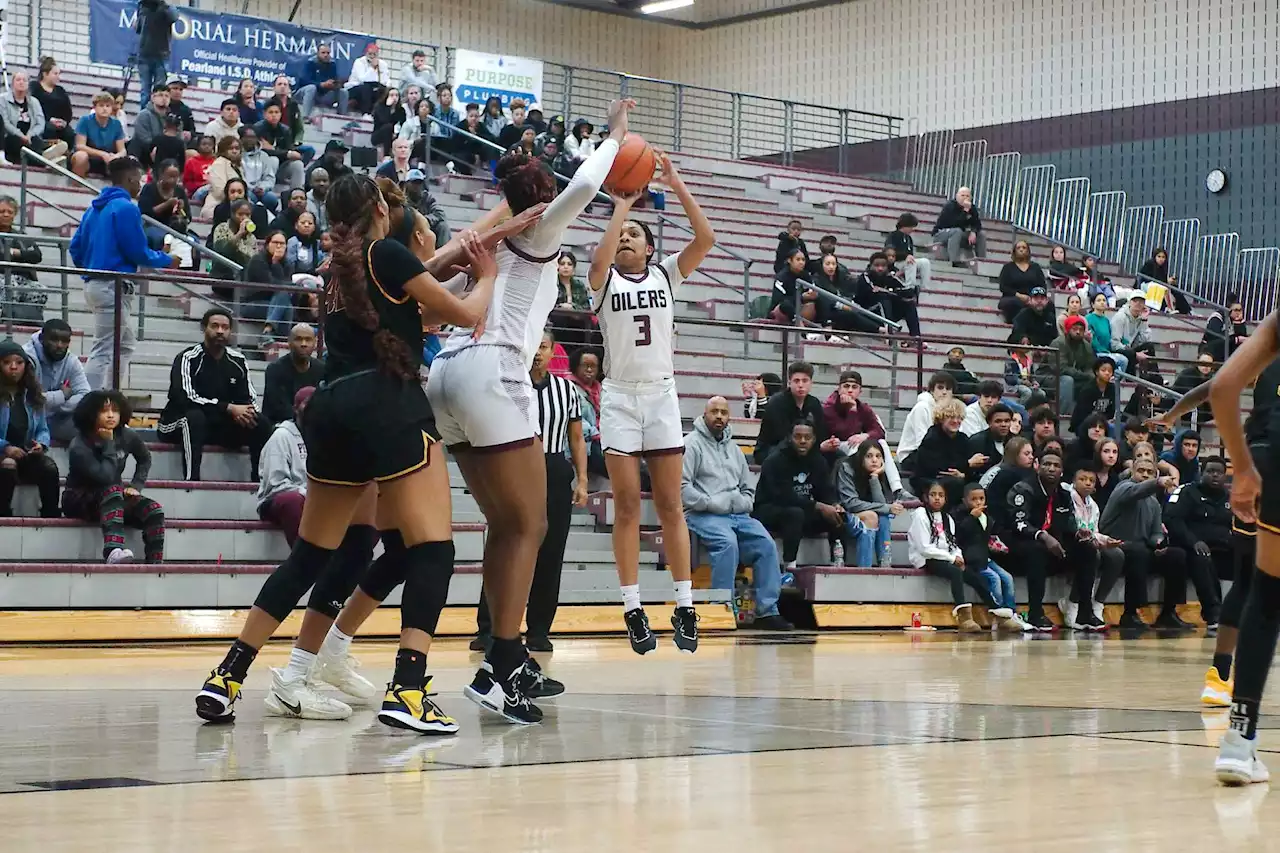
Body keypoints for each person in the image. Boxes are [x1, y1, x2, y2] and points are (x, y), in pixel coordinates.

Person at [194, 172, 518, 730]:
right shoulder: (385, 253)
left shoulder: (340, 275)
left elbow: (425, 314)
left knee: (313, 555)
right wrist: (487, 276)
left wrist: (467, 264)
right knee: (432, 549)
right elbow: (467, 317)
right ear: (376, 207)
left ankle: (227, 676)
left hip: (330, 409)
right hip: (384, 406)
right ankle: (409, 689)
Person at [423, 98, 633, 721]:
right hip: (493, 369)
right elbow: (590, 180)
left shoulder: (488, 246)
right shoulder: (542, 224)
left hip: (446, 374)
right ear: (538, 195)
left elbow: (433, 312)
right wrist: (616, 137)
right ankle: (505, 663)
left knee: (507, 525)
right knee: (532, 525)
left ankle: (500, 656)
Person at [586, 151, 714, 653]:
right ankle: (633, 609)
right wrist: (621, 206)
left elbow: (705, 238)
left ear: (651, 246)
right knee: (624, 508)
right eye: (621, 236)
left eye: (633, 234)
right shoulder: (604, 282)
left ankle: (684, 606)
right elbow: (597, 260)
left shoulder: (665, 276)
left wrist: (676, 182)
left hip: (661, 394)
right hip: (618, 398)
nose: (624, 240)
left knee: (670, 506)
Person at [473, 329, 591, 651]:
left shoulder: (567, 390)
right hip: (515, 466)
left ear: (554, 352)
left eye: (544, 346)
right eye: (533, 346)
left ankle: (539, 630)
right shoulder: (508, 384)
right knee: (506, 544)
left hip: (554, 468)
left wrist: (581, 481)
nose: (538, 353)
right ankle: (488, 628)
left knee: (551, 552)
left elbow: (577, 439)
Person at [68, 156, 179, 391]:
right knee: (104, 349)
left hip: (96, 284)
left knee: (125, 344)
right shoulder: (127, 208)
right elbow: (138, 252)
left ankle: (110, 396)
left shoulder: (94, 207)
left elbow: (75, 247)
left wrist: (90, 269)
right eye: (138, 180)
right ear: (130, 179)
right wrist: (167, 259)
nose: (140, 185)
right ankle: (89, 402)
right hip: (112, 285)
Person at [155, 309, 273, 481]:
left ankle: (259, 481)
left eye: (225, 327)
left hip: (218, 426)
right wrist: (227, 408)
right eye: (215, 326)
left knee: (260, 422)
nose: (220, 331)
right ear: (204, 328)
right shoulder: (188, 358)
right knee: (194, 418)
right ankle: (191, 481)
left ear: (230, 332)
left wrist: (244, 412)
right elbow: (184, 398)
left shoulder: (238, 360)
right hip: (177, 424)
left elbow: (249, 398)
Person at [1003, 450, 1101, 630]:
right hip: (1021, 545)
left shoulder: (1063, 494)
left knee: (1087, 549)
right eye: (1047, 464)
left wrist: (1079, 534)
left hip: (1054, 546)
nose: (1051, 469)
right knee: (1037, 549)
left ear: (1062, 471)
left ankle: (1085, 612)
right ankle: (1035, 613)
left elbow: (1068, 523)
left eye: (1056, 466)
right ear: (1037, 466)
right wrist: (1043, 536)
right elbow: (1019, 524)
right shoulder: (1023, 489)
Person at [62, 389, 162, 563]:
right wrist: (108, 443)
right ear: (91, 414)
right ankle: (113, 551)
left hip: (113, 497)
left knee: (153, 509)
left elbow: (144, 458)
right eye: (104, 411)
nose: (111, 416)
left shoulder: (127, 435)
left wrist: (136, 485)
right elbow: (105, 477)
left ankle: (155, 563)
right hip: (80, 497)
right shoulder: (79, 445)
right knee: (113, 490)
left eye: (115, 410)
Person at [1098, 457, 1192, 631]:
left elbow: (1156, 531)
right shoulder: (1123, 488)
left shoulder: (1154, 503)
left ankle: (1168, 613)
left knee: (1177, 555)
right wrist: (1158, 482)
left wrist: (1157, 543)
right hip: (1115, 545)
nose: (1144, 475)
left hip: (1141, 548)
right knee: (1138, 552)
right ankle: (1130, 614)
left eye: (1150, 472)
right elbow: (1136, 491)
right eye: (1141, 471)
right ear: (1133, 472)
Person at [752, 419, 844, 573]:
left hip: (801, 510)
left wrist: (834, 504)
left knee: (838, 515)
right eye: (798, 437)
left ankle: (838, 562)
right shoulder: (775, 460)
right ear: (790, 437)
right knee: (795, 514)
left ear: (814, 439)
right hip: (769, 510)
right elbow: (783, 496)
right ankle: (789, 568)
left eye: (807, 438)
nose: (802, 441)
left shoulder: (817, 460)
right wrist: (819, 506)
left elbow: (825, 490)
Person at [907, 480, 998, 631]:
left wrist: (958, 556)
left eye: (941, 495)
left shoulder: (947, 518)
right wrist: (951, 558)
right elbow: (924, 548)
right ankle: (964, 616)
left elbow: (953, 543)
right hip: (926, 559)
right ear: (925, 497)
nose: (937, 498)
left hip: (946, 557)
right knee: (955, 572)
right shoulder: (920, 515)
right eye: (933, 495)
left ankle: (997, 612)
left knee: (973, 576)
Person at [1164, 456, 1232, 627]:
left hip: (1223, 547)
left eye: (1219, 472)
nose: (1215, 475)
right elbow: (1172, 519)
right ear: (1201, 472)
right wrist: (1193, 541)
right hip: (1191, 547)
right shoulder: (1187, 492)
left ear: (1225, 476)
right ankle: (1213, 614)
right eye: (1210, 471)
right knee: (1202, 556)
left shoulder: (1231, 497)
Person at [0, 340, 58, 518]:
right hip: (3, 454)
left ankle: (50, 514)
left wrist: (41, 444)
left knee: (49, 467)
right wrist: (6, 447)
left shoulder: (32, 394)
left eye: (19, 362)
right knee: (8, 465)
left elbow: (43, 429)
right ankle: (3, 514)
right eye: (7, 362)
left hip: (25, 454)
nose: (13, 367)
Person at [953, 483, 1024, 630]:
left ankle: (1011, 612)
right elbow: (959, 537)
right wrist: (972, 518)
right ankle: (998, 616)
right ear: (965, 501)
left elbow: (984, 538)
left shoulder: (986, 517)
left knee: (1007, 578)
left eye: (981, 498)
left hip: (984, 557)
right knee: (994, 579)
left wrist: (995, 546)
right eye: (974, 499)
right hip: (972, 560)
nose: (979, 502)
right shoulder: (958, 517)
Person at [1064, 464, 1123, 628]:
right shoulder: (1066, 498)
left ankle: (1098, 603)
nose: (1088, 483)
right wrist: (1094, 539)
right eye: (1083, 479)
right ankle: (1074, 604)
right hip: (1068, 543)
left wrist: (1106, 540)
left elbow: (1093, 531)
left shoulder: (1093, 505)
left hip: (1088, 542)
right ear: (1074, 482)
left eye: (1091, 480)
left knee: (1116, 555)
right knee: (1091, 553)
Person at [256, 386, 312, 545]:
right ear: (295, 409)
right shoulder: (281, 436)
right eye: (307, 403)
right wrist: (307, 494)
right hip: (276, 499)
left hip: (313, 499)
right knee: (293, 500)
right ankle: (303, 561)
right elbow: (275, 484)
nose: (311, 408)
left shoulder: (324, 437)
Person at [835, 440, 904, 569]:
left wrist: (874, 477)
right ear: (860, 457)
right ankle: (864, 569)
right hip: (842, 514)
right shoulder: (846, 468)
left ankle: (884, 564)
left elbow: (880, 504)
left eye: (878, 456)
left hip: (866, 514)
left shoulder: (876, 473)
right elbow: (851, 504)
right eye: (869, 456)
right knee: (873, 516)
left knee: (883, 518)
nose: (874, 460)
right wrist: (887, 508)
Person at [21, 318, 89, 442]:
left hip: (56, 419)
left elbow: (85, 395)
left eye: (64, 341)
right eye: (54, 339)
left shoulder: (71, 361)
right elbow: (28, 399)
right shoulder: (26, 358)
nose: (59, 345)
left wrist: (55, 407)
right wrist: (61, 395)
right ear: (42, 339)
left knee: (95, 425)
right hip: (27, 419)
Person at [912, 398, 987, 507]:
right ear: (941, 418)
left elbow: (961, 467)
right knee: (955, 483)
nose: (956, 421)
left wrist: (963, 473)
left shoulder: (962, 438)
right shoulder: (932, 436)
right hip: (929, 480)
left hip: (954, 479)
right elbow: (938, 467)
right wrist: (968, 464)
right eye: (951, 417)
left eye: (959, 417)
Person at [753, 361, 828, 464]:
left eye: (805, 381)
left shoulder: (814, 403)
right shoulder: (776, 403)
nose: (800, 385)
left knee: (836, 455)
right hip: (772, 449)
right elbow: (781, 437)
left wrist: (827, 444)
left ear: (811, 383)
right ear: (789, 383)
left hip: (805, 448)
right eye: (796, 381)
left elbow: (820, 433)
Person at [262, 324, 323, 425]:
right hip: (280, 427)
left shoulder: (322, 369)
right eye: (298, 339)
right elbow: (278, 408)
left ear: (315, 343)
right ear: (289, 342)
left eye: (308, 340)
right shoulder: (275, 369)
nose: (303, 344)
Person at [2, 70, 67, 165]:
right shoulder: (3, 100)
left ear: (28, 84)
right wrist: (21, 135)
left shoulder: (34, 102)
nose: (21, 82)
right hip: (12, 136)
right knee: (14, 140)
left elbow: (40, 123)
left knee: (36, 140)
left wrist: (30, 135)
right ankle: (46, 159)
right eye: (18, 80)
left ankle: (45, 158)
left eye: (24, 80)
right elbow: (5, 122)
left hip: (31, 137)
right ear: (12, 84)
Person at [896, 371, 955, 466]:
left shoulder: (953, 410)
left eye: (948, 389)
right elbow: (922, 442)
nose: (944, 392)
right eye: (940, 388)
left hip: (937, 453)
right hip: (912, 455)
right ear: (932, 390)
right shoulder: (922, 407)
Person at [137, 159, 190, 251]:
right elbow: (144, 213)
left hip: (174, 228)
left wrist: (181, 210)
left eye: (176, 177)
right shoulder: (149, 188)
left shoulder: (180, 191)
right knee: (160, 239)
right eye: (170, 176)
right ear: (161, 174)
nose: (173, 180)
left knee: (193, 241)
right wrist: (167, 204)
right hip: (152, 226)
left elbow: (188, 217)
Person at [70, 92, 126, 178]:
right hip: (89, 157)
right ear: (94, 107)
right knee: (80, 156)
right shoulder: (85, 120)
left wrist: (115, 156)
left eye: (108, 106)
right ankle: (76, 187)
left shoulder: (116, 124)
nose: (105, 109)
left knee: (126, 161)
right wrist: (102, 154)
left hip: (107, 160)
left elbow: (122, 150)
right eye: (101, 105)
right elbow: (80, 146)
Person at [133, 0, 177, 105]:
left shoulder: (167, 8)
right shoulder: (143, 6)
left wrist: (162, 4)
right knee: (145, 91)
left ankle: (157, 115)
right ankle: (144, 117)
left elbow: (174, 17)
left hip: (161, 55)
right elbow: (137, 27)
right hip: (144, 55)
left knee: (159, 90)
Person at [255, 101, 305, 190]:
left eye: (276, 112)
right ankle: (267, 190)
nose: (274, 115)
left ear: (280, 114)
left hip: (282, 166)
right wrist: (285, 153)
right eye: (270, 112)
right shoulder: (257, 129)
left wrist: (274, 149)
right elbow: (261, 152)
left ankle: (296, 193)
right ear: (264, 114)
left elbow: (291, 151)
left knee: (298, 164)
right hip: (261, 167)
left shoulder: (286, 130)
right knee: (273, 160)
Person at [931, 186, 986, 264]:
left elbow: (977, 224)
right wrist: (965, 211)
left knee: (981, 234)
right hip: (941, 233)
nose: (965, 198)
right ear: (957, 196)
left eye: (967, 196)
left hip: (959, 234)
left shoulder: (972, 208)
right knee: (957, 231)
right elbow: (954, 224)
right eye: (962, 195)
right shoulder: (950, 206)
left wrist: (973, 232)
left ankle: (981, 262)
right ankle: (954, 260)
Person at [1054, 315, 1096, 415]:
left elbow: (1090, 367)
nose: (1078, 332)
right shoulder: (1059, 343)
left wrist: (1092, 376)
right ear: (1068, 330)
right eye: (1075, 329)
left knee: (1093, 380)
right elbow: (1061, 369)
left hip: (1076, 377)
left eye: (1081, 330)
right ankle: (1062, 415)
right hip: (1051, 377)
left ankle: (1085, 415)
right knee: (1067, 380)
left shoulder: (1086, 345)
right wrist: (1085, 375)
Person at [32, 57, 76, 152]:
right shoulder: (35, 87)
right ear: (45, 74)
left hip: (59, 123)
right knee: (49, 129)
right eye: (55, 74)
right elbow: (32, 107)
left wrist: (64, 122)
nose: (58, 77)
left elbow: (67, 110)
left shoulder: (60, 91)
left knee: (69, 133)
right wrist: (49, 119)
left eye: (59, 74)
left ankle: (66, 155)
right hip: (41, 121)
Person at [997, 241, 1046, 323]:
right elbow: (1003, 287)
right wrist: (1019, 295)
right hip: (1012, 297)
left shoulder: (1035, 267)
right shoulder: (1008, 267)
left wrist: (1033, 298)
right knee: (1013, 303)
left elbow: (1042, 286)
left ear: (1028, 251)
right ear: (1014, 251)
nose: (1021, 250)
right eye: (1018, 248)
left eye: (1024, 248)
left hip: (1032, 298)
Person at [297, 43, 349, 117]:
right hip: (305, 94)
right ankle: (305, 117)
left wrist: (335, 84)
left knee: (343, 92)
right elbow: (303, 81)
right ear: (318, 53)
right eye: (323, 53)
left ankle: (342, 118)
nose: (326, 55)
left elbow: (334, 79)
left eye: (328, 53)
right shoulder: (310, 63)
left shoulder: (332, 65)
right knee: (311, 88)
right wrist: (321, 84)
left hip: (323, 95)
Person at [1070, 356, 1117, 435]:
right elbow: (1083, 413)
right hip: (1084, 423)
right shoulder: (1087, 389)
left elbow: (1111, 411)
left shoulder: (1112, 388)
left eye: (1110, 371)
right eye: (1103, 370)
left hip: (1102, 423)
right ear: (1096, 372)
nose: (1107, 373)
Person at [885, 213, 933, 291]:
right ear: (905, 225)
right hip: (897, 262)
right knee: (911, 262)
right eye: (911, 226)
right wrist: (905, 257)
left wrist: (908, 257)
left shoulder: (909, 238)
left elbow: (910, 254)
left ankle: (925, 287)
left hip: (906, 262)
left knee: (925, 262)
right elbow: (889, 252)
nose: (912, 229)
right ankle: (909, 287)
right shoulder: (893, 236)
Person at [127, 84, 171, 167]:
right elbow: (143, 138)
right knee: (135, 143)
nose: (164, 98)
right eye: (160, 95)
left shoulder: (172, 118)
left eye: (167, 96)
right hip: (145, 151)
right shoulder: (143, 115)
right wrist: (157, 148)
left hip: (164, 151)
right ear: (152, 97)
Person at [1085, 291, 1129, 373]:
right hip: (1097, 353)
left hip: (1108, 351)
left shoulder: (1106, 320)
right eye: (1098, 300)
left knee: (1125, 358)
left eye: (1104, 300)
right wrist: (1104, 351)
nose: (1102, 302)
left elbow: (1112, 335)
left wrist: (1124, 342)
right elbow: (1093, 341)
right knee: (1121, 360)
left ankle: (1115, 382)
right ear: (1093, 304)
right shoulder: (1088, 318)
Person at [1139, 246, 1191, 314]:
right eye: (1159, 256)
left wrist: (1169, 281)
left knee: (1175, 289)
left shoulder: (1162, 268)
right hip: (1147, 285)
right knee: (1162, 288)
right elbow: (1147, 279)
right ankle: (1168, 308)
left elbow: (1162, 281)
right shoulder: (1149, 264)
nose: (1161, 259)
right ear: (1155, 257)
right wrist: (1166, 282)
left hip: (1159, 285)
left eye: (1163, 257)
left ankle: (1186, 311)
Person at [968, 402, 1013, 478]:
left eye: (1007, 421)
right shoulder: (976, 441)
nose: (1003, 424)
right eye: (998, 421)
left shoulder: (1016, 441)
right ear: (989, 423)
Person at [1111, 292, 1154, 367]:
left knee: (1149, 346)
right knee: (1130, 353)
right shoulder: (1120, 317)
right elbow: (1114, 344)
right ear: (1129, 303)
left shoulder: (1141, 318)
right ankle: (1130, 378)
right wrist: (1135, 353)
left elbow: (1145, 340)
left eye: (1141, 301)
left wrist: (1144, 321)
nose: (1138, 303)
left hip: (1130, 348)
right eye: (1135, 301)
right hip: (1118, 349)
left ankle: (1154, 377)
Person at [345, 43, 390, 115]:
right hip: (356, 87)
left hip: (373, 87)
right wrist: (372, 67)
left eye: (374, 54)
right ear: (366, 53)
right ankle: (366, 113)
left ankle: (379, 115)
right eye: (370, 54)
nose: (372, 56)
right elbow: (362, 79)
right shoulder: (359, 62)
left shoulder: (383, 64)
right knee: (366, 88)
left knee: (384, 90)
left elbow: (386, 80)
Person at [1173, 352, 1216, 424]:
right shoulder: (1188, 374)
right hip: (1182, 408)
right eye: (1203, 363)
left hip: (1197, 410)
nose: (1206, 366)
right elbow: (1191, 394)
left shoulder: (1209, 376)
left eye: (1209, 364)